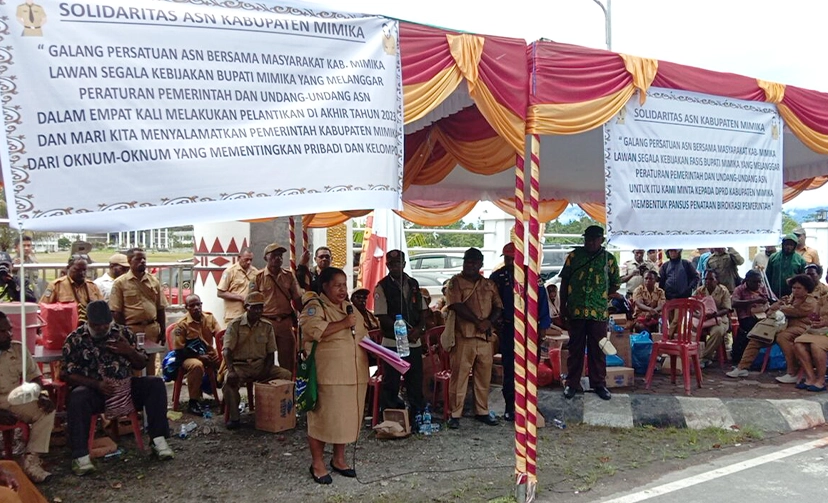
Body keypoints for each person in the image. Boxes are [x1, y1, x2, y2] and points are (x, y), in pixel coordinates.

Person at [62, 300, 172, 475]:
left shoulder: (123, 333)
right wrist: (96, 384)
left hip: (125, 389)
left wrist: (128, 350)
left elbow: (141, 362)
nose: (101, 328)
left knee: (155, 384)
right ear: (88, 321)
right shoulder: (75, 339)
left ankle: (158, 440)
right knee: (78, 396)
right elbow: (67, 374)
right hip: (96, 393)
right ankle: (80, 456)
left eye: (105, 324)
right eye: (96, 325)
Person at [299, 267, 369, 485]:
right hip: (329, 377)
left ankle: (339, 459)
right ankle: (317, 463)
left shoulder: (349, 307)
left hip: (353, 375)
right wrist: (343, 324)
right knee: (323, 419)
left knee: (345, 419)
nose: (342, 289)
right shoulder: (315, 306)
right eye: (337, 285)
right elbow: (313, 330)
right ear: (325, 286)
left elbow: (363, 333)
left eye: (344, 284)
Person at [490, 242, 551, 422]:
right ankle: (510, 406)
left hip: (530, 327)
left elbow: (542, 302)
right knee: (510, 368)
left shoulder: (532, 276)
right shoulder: (498, 276)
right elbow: (491, 302)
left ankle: (530, 405)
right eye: (507, 258)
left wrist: (543, 327)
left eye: (512, 258)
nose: (509, 261)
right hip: (509, 327)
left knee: (531, 367)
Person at [559, 226, 620, 401]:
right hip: (576, 311)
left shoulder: (609, 259)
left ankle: (599, 384)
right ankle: (571, 383)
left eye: (594, 238)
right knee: (575, 348)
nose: (590, 242)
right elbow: (564, 282)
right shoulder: (574, 257)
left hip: (598, 313)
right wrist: (563, 306)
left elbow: (615, 283)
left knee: (598, 349)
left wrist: (600, 295)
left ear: (601, 239)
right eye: (588, 238)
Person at [444, 248, 502, 428]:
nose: (471, 265)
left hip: (485, 338)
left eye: (475, 262)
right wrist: (478, 321)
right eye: (468, 261)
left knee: (483, 377)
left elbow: (498, 306)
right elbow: (455, 305)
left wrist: (488, 323)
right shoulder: (455, 282)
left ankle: (482, 411)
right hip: (464, 337)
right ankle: (455, 414)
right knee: (459, 377)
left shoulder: (488, 284)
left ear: (481, 264)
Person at [727, 274, 817, 382]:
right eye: (794, 288)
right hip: (782, 325)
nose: (795, 290)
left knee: (783, 337)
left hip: (801, 327)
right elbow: (772, 310)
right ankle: (742, 367)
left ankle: (792, 372)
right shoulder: (791, 298)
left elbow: (795, 312)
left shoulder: (811, 301)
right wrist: (778, 307)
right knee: (757, 336)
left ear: (806, 289)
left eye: (799, 288)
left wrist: (779, 307)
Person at [222, 292, 291, 430]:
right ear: (246, 307)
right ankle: (235, 418)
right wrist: (230, 370)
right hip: (239, 365)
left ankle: (283, 414)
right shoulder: (235, 325)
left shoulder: (267, 326)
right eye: (254, 307)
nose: (258, 311)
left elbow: (271, 353)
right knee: (228, 382)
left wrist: (264, 373)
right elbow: (227, 351)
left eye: (260, 307)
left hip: (260, 364)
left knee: (286, 375)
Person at [0, 312, 54, 482]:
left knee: (46, 410)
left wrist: (41, 394)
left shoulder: (17, 348)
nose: (8, 334)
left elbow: (35, 377)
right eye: (2, 331)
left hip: (14, 399)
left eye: (9, 330)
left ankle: (31, 461)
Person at [373, 250, 428, 416]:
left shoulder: (413, 283)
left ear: (404, 264)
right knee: (391, 380)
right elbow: (382, 315)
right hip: (392, 342)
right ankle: (391, 414)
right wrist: (402, 331)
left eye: (398, 263)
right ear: (387, 265)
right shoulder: (382, 286)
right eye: (391, 264)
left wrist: (419, 329)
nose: (395, 266)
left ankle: (416, 414)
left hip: (413, 341)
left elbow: (423, 310)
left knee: (415, 379)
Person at [108, 248, 168, 376]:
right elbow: (116, 311)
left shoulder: (153, 281)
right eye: (138, 259)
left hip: (151, 328)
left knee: (150, 366)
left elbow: (160, 307)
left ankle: (150, 392)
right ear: (130, 261)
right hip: (132, 329)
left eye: (144, 259)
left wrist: (163, 330)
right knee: (134, 366)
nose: (142, 262)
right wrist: (125, 332)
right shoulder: (120, 283)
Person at [250, 243, 302, 375]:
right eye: (274, 256)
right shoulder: (258, 277)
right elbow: (251, 302)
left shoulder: (289, 276)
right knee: (264, 359)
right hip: (265, 322)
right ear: (266, 258)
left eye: (280, 256)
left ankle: (287, 389)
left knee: (288, 360)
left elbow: (297, 298)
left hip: (285, 322)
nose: (278, 258)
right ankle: (266, 389)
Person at [171, 295, 221, 415]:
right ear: (186, 308)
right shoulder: (182, 325)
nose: (196, 308)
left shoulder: (209, 318)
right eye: (192, 305)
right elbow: (179, 350)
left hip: (208, 354)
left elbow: (220, 337)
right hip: (188, 357)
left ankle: (227, 396)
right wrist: (199, 357)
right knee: (197, 365)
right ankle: (193, 402)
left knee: (227, 360)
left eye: (198, 304)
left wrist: (219, 354)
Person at [40, 256, 103, 324]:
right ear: (68, 268)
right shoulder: (56, 285)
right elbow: (43, 308)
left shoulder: (92, 286)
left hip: (89, 327)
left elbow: (102, 308)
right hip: (65, 326)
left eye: (84, 270)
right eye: (77, 270)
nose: (81, 273)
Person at [729, 270, 770, 365]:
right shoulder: (739, 289)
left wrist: (764, 300)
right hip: (745, 317)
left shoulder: (762, 288)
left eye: (759, 281)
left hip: (761, 314)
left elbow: (767, 299)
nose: (758, 284)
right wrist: (753, 301)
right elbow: (734, 303)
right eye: (755, 282)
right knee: (752, 327)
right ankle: (744, 358)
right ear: (747, 280)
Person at [693, 271, 732, 366]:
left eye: (711, 279)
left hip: (719, 319)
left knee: (717, 332)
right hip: (703, 319)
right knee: (690, 329)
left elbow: (727, 309)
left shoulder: (723, 291)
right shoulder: (700, 290)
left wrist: (714, 315)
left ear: (717, 280)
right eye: (706, 279)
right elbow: (693, 304)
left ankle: (705, 357)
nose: (708, 281)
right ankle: (693, 355)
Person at [793, 288, 828, 392]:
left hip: (825, 332)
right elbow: (815, 314)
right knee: (799, 344)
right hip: (821, 331)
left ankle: (821, 380)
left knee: (816, 345)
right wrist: (815, 321)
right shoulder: (824, 298)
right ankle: (810, 377)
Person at [216, 248, 258, 327]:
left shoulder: (255, 272)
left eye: (251, 260)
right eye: (246, 259)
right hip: (233, 316)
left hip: (249, 315)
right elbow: (220, 293)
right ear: (239, 258)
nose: (249, 262)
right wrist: (240, 298)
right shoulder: (230, 271)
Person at [765, 235, 807, 299]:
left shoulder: (800, 260)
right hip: (774, 294)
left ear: (794, 246)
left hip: (793, 295)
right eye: (786, 244)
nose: (788, 247)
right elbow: (767, 276)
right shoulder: (773, 257)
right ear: (783, 244)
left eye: (791, 245)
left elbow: (803, 279)